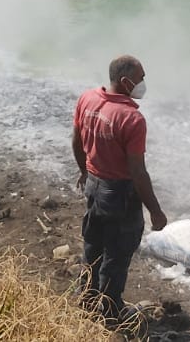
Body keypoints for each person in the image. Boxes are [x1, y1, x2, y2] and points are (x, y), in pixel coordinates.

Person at [72, 55, 168, 325]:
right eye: (141, 78)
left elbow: (76, 141)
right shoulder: (131, 118)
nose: (143, 83)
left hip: (94, 185)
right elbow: (137, 172)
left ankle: (87, 301)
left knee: (93, 246)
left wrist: (84, 171)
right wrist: (156, 211)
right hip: (119, 194)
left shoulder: (87, 99)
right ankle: (111, 312)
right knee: (117, 253)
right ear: (126, 82)